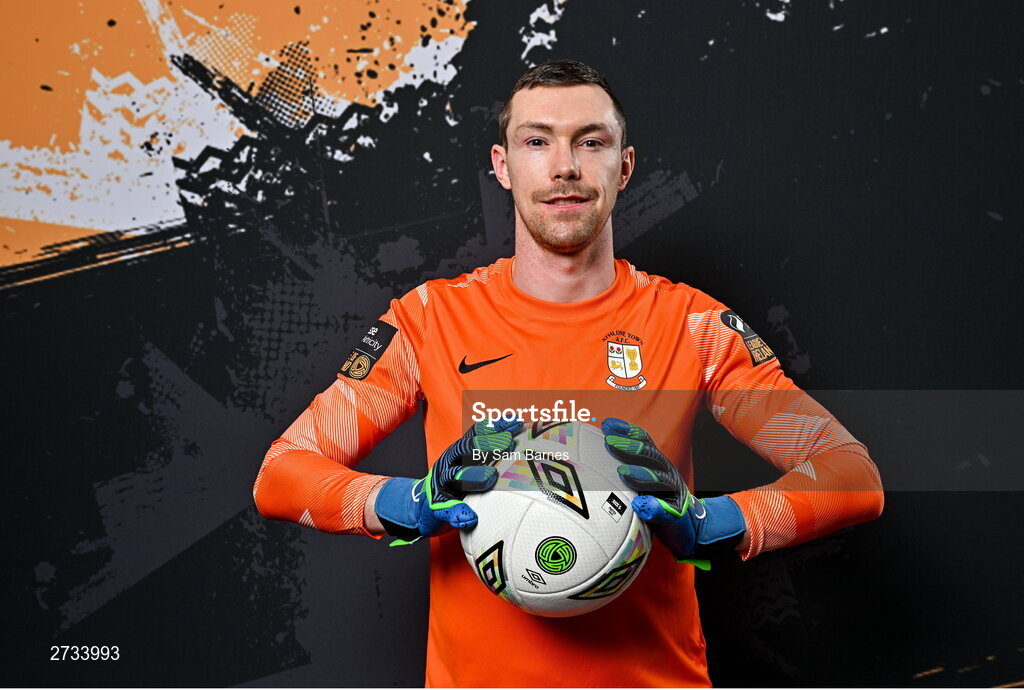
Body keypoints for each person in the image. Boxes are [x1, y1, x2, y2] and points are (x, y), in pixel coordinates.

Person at [252, 60, 884, 687]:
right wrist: (403, 503)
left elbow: (852, 476)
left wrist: (713, 523)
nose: (564, 168)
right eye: (537, 141)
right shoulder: (428, 321)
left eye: (591, 141)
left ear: (624, 166)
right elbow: (280, 476)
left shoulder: (694, 324)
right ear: (502, 166)